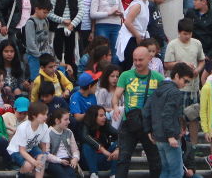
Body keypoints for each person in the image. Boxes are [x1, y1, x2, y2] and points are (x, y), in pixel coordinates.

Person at [111, 47, 164, 177]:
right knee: (123, 159)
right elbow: (116, 95)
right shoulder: (126, 75)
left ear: (149, 59)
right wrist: (116, 107)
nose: (137, 63)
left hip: (149, 124)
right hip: (129, 122)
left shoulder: (158, 78)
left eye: (141, 60)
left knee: (155, 160)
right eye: (135, 60)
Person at [145, 62, 190, 178]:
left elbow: (146, 110)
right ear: (176, 76)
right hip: (169, 137)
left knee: (165, 171)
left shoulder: (158, 90)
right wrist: (170, 136)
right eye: (185, 81)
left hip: (158, 136)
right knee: (176, 172)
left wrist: (149, 131)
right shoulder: (175, 92)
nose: (185, 84)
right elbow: (168, 114)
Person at [115, 0, 153, 68]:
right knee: (128, 65)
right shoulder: (137, 5)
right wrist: (137, 35)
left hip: (138, 37)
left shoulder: (145, 3)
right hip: (130, 38)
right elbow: (127, 21)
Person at [9, 101, 51, 178]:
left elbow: (44, 146)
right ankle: (20, 175)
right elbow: (22, 150)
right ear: (34, 116)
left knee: (42, 159)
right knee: (29, 165)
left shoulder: (45, 126)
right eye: (43, 114)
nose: (46, 117)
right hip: (16, 150)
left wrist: (43, 160)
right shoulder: (23, 128)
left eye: (46, 114)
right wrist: (34, 162)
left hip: (30, 147)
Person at [79, 105, 119, 177]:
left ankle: (114, 175)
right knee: (87, 145)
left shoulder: (105, 125)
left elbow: (120, 136)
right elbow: (85, 136)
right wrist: (102, 149)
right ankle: (94, 174)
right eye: (101, 115)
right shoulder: (85, 124)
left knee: (119, 145)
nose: (104, 117)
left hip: (105, 159)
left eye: (104, 115)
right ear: (93, 117)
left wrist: (117, 148)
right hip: (88, 161)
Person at [42, 109, 81, 177]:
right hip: (53, 162)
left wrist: (75, 158)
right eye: (66, 119)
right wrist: (59, 161)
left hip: (67, 161)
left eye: (68, 119)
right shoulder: (48, 133)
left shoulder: (69, 132)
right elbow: (46, 154)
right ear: (57, 121)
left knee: (72, 175)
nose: (69, 122)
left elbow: (75, 150)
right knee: (63, 175)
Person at [25, 0, 56, 80]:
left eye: (47, 13)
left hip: (45, 54)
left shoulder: (45, 20)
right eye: (44, 12)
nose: (46, 15)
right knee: (35, 79)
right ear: (36, 9)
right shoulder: (31, 22)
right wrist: (39, 56)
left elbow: (47, 39)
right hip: (34, 56)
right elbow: (30, 42)